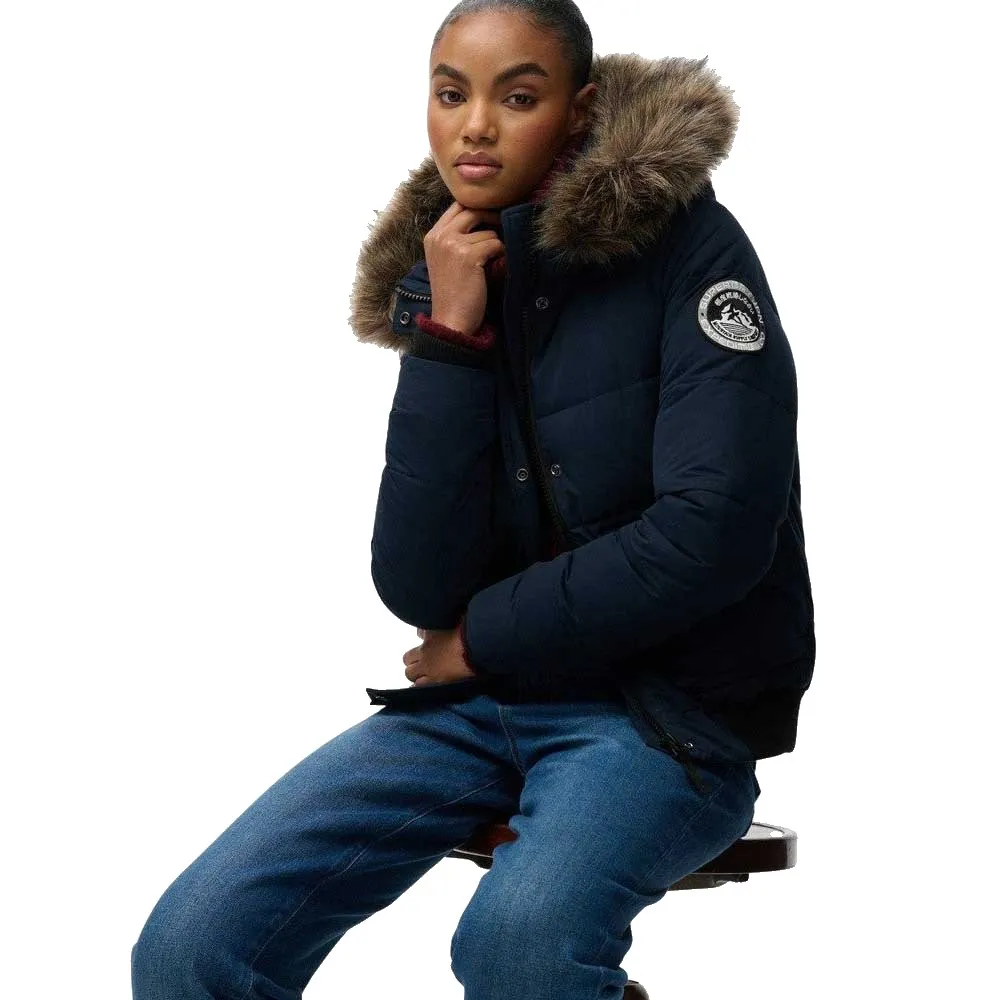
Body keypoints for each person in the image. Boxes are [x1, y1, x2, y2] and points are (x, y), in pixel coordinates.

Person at [131, 1, 815, 997]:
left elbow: (710, 536)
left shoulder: (693, 255)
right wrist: (448, 342)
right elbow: (417, 585)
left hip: (664, 718)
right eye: (451, 94)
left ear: (578, 111)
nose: (476, 127)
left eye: (518, 97)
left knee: (516, 948)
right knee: (190, 948)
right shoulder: (448, 272)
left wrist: (483, 638)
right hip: (476, 706)